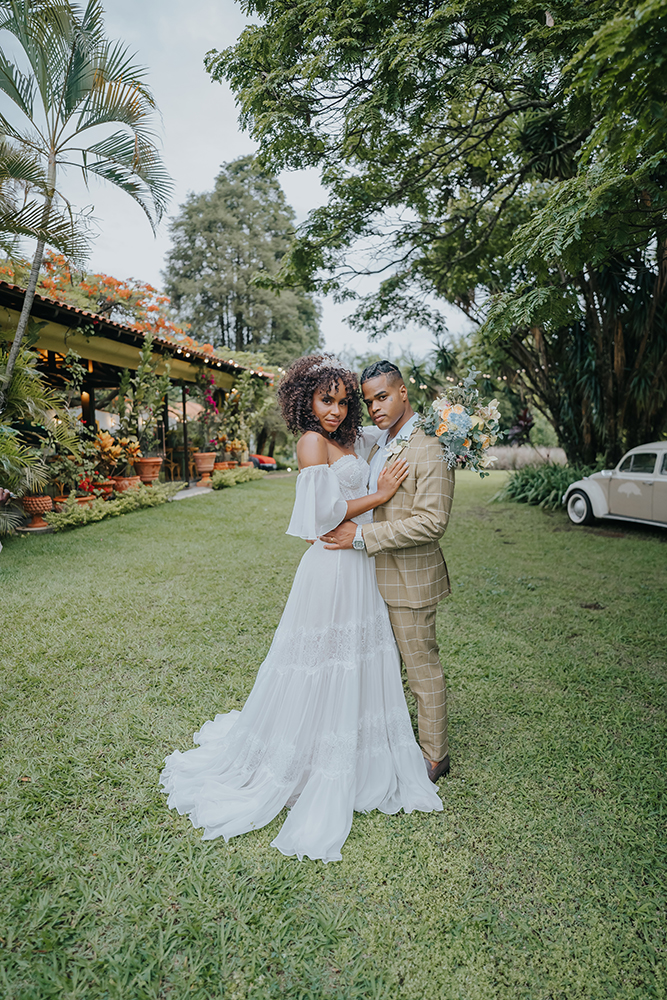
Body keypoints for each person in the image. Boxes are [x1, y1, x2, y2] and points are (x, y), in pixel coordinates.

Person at [160, 355, 442, 863]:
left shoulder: (357, 439)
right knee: (320, 661)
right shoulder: (310, 443)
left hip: (362, 565)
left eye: (342, 400)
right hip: (331, 567)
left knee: (359, 656)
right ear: (305, 401)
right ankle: (306, 757)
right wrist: (378, 495)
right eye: (325, 400)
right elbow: (320, 517)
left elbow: (403, 435)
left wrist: (449, 430)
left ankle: (360, 752)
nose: (335, 410)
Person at [322, 360, 454, 783]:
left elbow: (432, 522)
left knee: (420, 669)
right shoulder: (382, 441)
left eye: (382, 397)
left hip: (410, 579)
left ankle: (435, 757)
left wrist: (360, 538)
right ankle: (385, 741)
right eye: (369, 401)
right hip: (371, 578)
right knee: (383, 669)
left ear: (402, 393)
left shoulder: (430, 445)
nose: (375, 407)